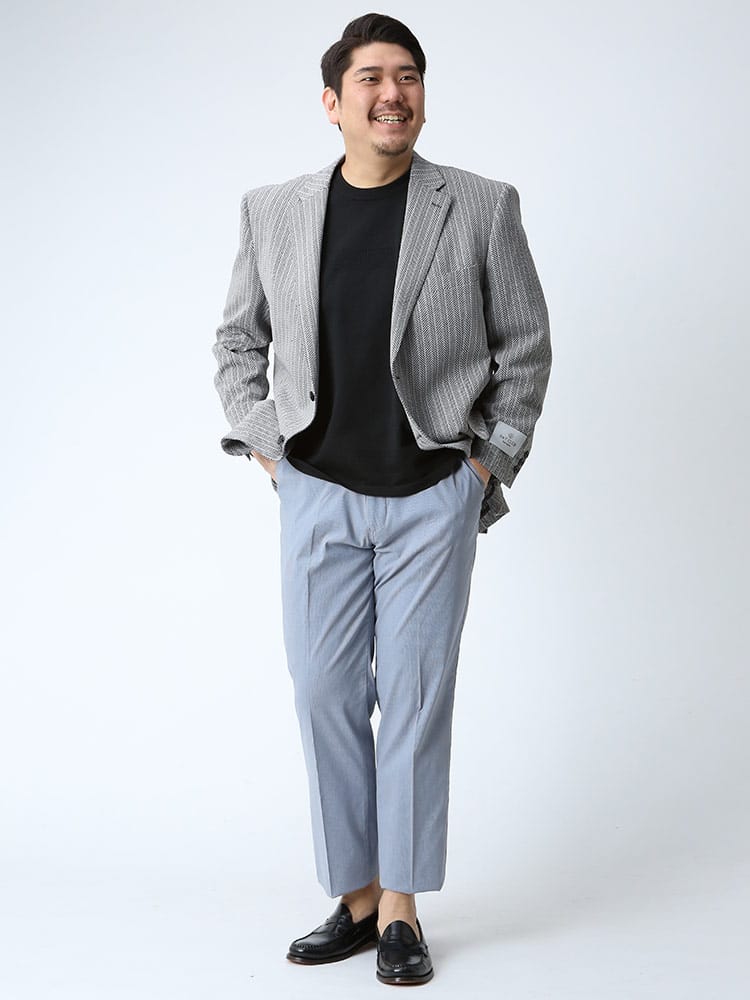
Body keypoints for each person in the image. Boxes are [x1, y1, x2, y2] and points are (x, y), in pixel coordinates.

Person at [212, 12, 552, 987]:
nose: (391, 93)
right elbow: (237, 343)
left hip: (431, 494)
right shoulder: (272, 210)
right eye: (370, 78)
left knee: (412, 700)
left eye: (407, 75)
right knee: (323, 694)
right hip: (316, 492)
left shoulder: (479, 205)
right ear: (333, 102)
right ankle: (355, 897)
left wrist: (484, 467)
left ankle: (400, 907)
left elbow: (525, 348)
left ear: (422, 97)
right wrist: (272, 451)